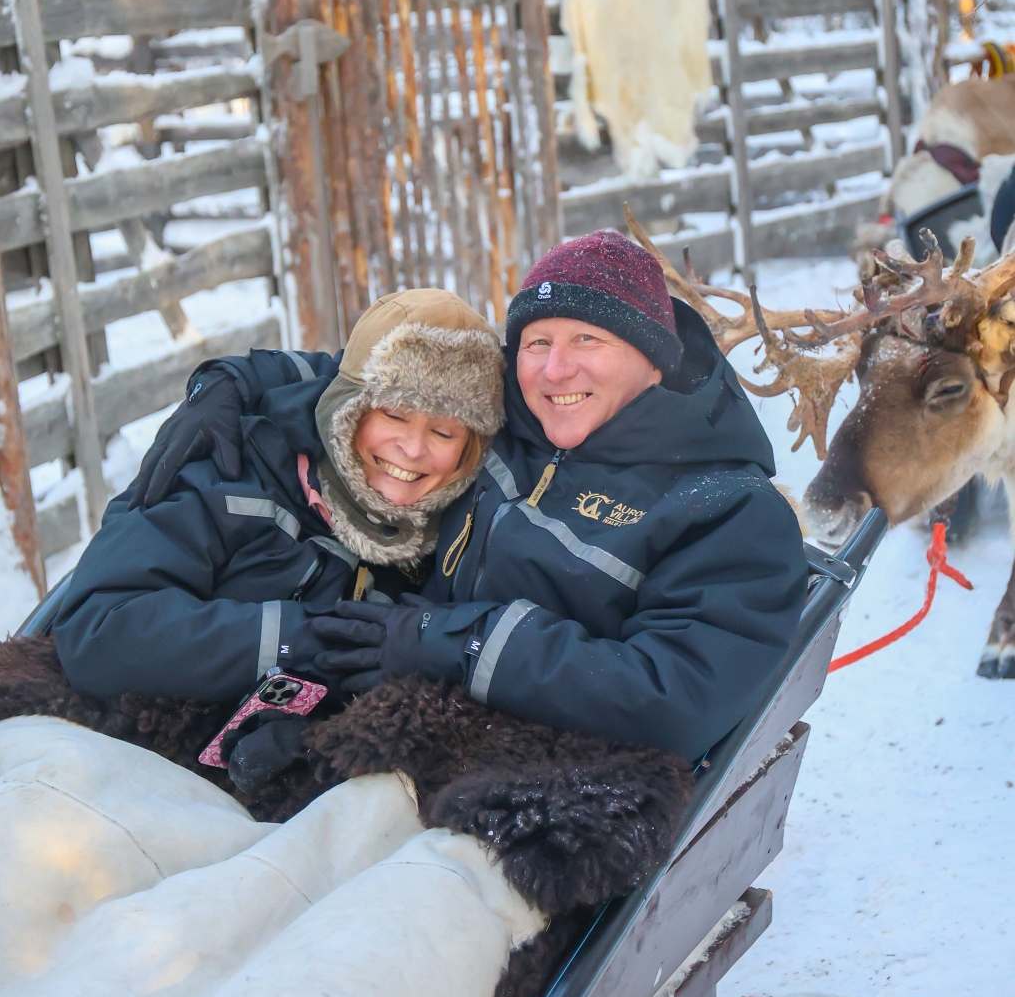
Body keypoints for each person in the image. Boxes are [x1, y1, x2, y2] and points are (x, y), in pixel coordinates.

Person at [131, 232, 808, 764]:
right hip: (418, 697)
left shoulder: (728, 511)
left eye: (588, 341)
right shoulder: (511, 412)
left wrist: (453, 643)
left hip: (553, 763)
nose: (554, 368)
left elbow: (673, 697)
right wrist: (230, 381)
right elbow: (371, 374)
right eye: (537, 342)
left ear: (654, 358)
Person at [52, 289, 505, 794]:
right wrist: (299, 638)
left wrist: (330, 731)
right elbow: (97, 629)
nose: (413, 448)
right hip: (113, 772)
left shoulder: (456, 541)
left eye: (444, 432)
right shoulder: (230, 472)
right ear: (349, 408)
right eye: (394, 415)